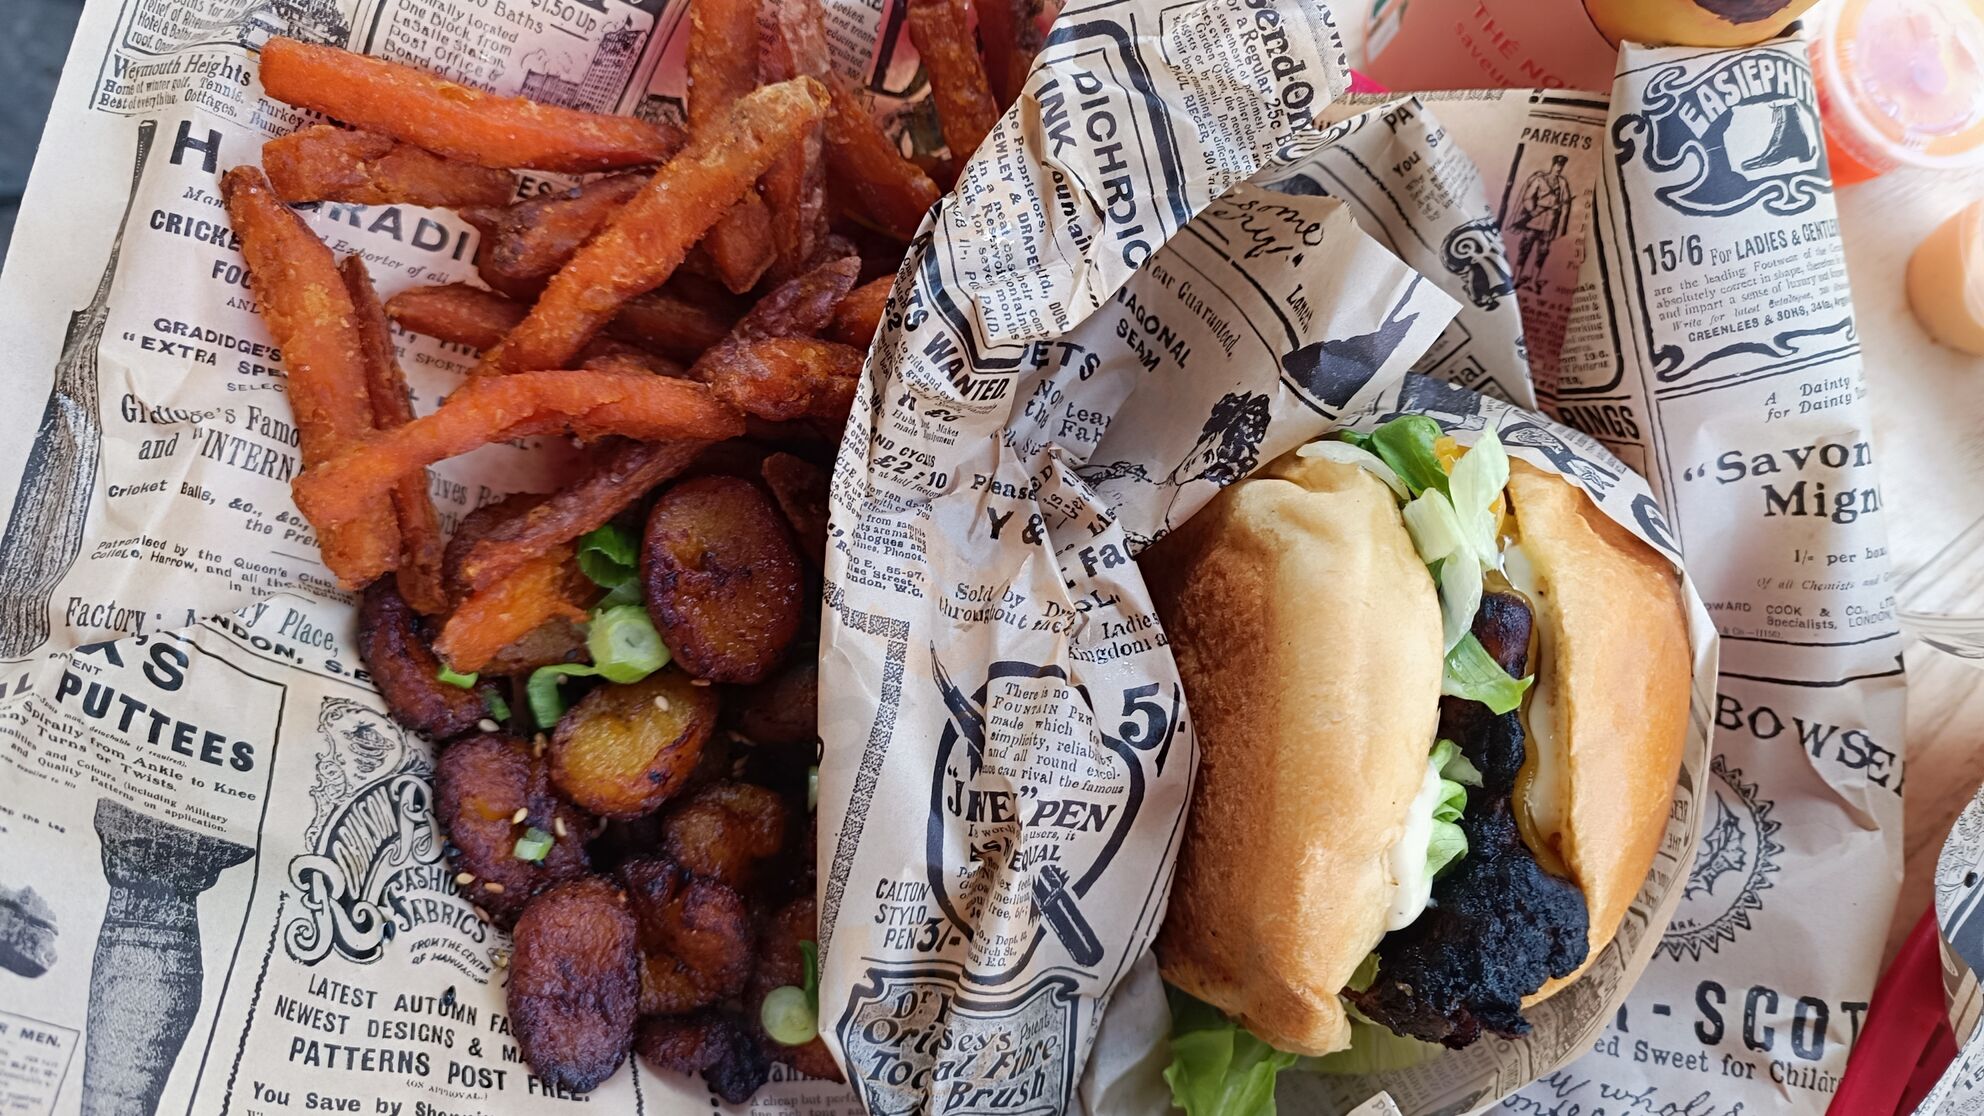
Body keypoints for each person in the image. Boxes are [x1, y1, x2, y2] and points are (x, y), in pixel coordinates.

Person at [1512, 154, 1572, 292]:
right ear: (1553, 165)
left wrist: (1559, 215)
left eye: (1561, 166)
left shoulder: (1562, 183)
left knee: (1542, 253)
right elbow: (1527, 198)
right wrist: (1533, 209)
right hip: (1533, 222)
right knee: (1524, 249)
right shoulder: (1540, 179)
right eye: (1557, 165)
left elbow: (1566, 203)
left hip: (1549, 224)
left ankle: (1534, 281)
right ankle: (1516, 278)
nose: (1559, 168)